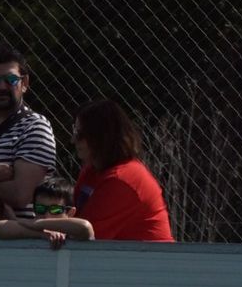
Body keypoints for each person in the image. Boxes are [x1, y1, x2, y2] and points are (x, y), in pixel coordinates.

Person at [0, 45, 57, 219]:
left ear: (24, 83)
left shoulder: (34, 127)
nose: (2, 87)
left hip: (12, 233)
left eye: (11, 80)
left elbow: (20, 194)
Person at [71, 99, 174, 242]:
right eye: (74, 131)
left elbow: (83, 237)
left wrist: (39, 227)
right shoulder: (92, 169)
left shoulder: (122, 180)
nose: (73, 140)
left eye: (80, 134)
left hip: (147, 256)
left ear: (101, 136)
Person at [0, 177, 95, 249]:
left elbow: (85, 228)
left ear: (70, 213)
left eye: (55, 209)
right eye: (40, 208)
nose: (47, 215)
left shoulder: (73, 234)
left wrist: (37, 223)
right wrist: (41, 234)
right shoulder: (32, 231)